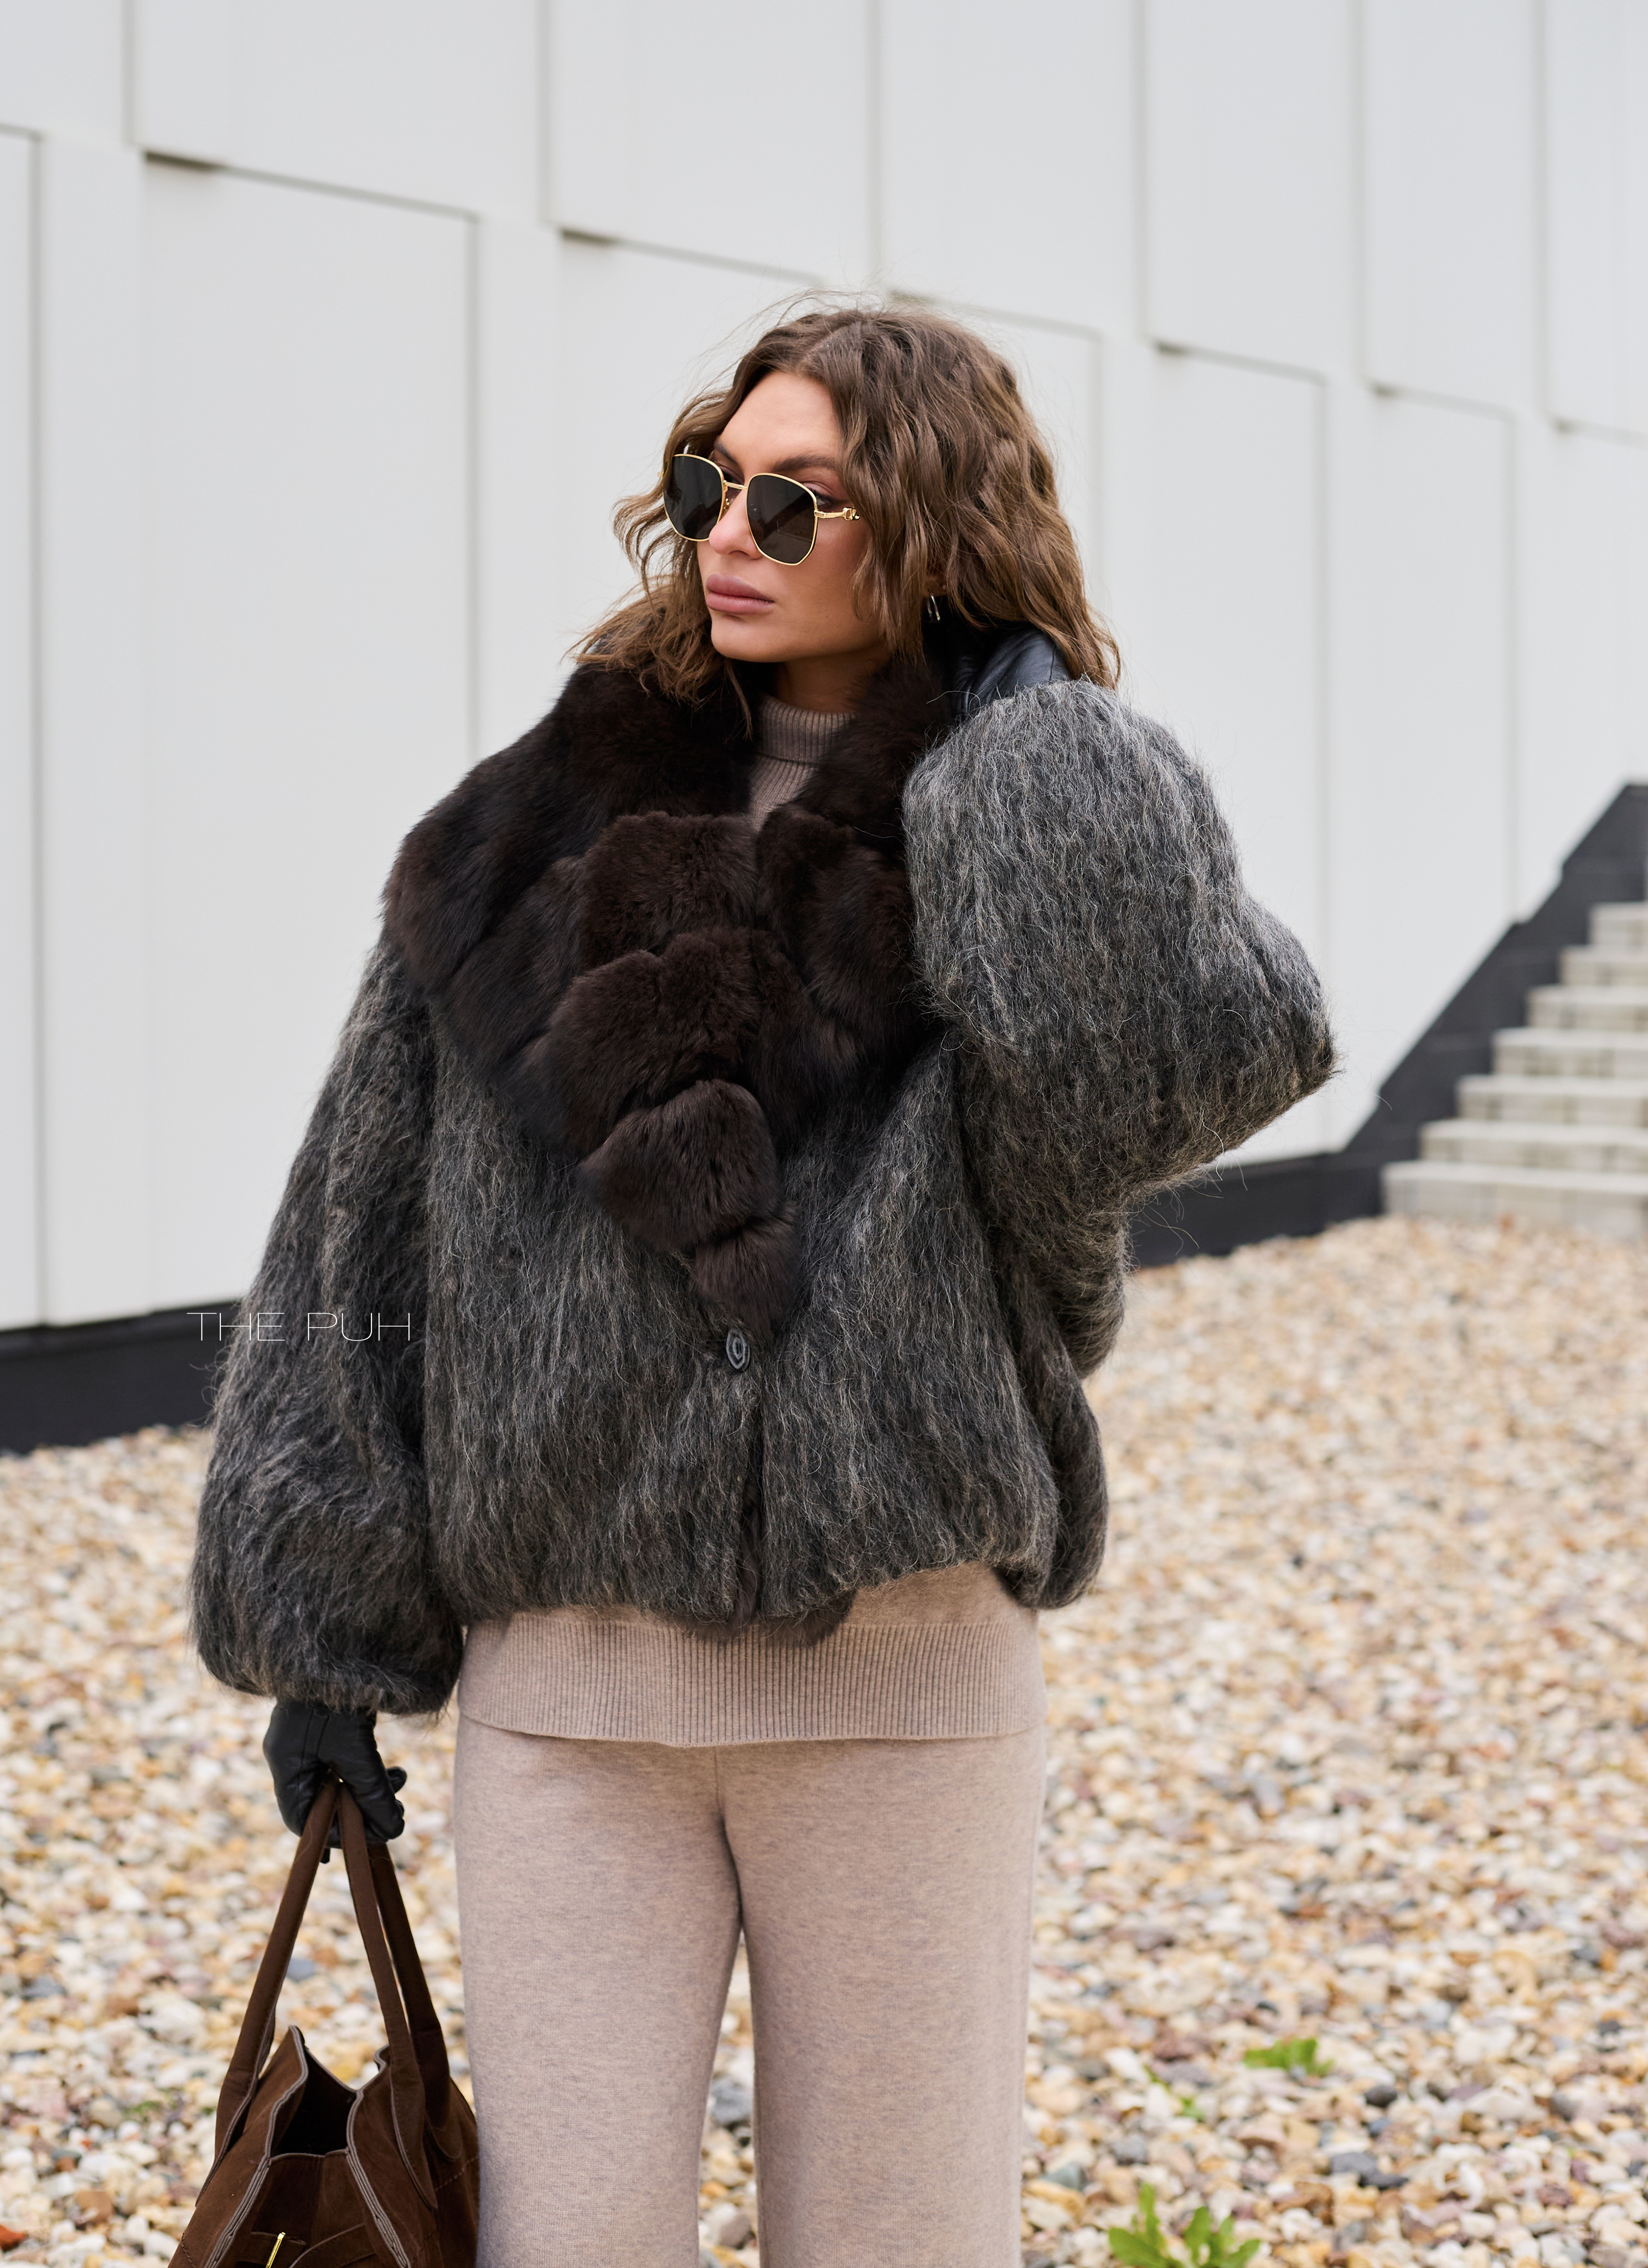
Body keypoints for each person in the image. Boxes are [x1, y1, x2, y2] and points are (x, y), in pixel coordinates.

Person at [192, 301, 1334, 2267]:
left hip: (904, 1683)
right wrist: (324, 1635)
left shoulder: (1012, 815)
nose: (730, 533)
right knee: (567, 2242)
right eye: (712, 484)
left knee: (902, 2238)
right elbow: (352, 1235)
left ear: (940, 533)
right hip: (570, 1705)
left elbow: (1163, 1086)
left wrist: (1038, 754)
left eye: (798, 504)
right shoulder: (521, 836)